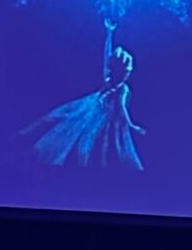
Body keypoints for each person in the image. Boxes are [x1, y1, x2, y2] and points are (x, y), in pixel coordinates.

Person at [22, 23, 145, 172]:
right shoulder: (112, 81)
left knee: (92, 143)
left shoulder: (118, 86)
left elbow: (121, 107)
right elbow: (106, 58)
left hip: (101, 115)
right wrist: (109, 34)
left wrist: (131, 125)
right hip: (90, 108)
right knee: (65, 125)